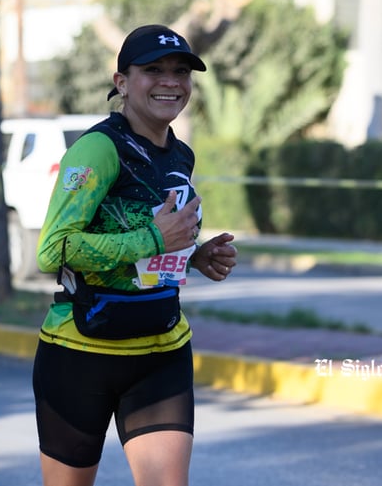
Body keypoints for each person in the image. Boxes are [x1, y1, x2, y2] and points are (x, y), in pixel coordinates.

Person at [33, 24, 238, 486]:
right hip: (80, 352)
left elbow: (154, 242)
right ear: (122, 82)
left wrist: (195, 254)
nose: (171, 81)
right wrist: (153, 239)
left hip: (161, 350)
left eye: (181, 71)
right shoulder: (98, 149)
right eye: (153, 70)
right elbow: (53, 249)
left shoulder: (180, 155)